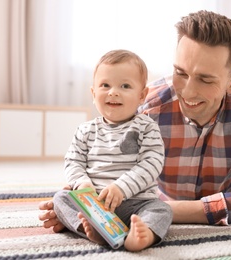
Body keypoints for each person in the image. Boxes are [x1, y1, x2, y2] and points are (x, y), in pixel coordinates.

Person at [40, 10, 231, 234]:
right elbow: (108, 165)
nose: (187, 91)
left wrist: (143, 212)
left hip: (151, 206)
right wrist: (86, 203)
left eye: (205, 80)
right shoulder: (146, 107)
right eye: (181, 73)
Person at [52, 49, 172, 252]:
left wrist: (121, 188)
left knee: (162, 209)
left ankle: (144, 235)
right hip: (95, 204)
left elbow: (151, 163)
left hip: (136, 203)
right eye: (105, 85)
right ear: (93, 93)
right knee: (60, 199)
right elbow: (73, 161)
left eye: (125, 86)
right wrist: (81, 183)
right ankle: (94, 230)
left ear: (142, 95)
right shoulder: (85, 130)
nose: (113, 92)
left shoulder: (147, 127)